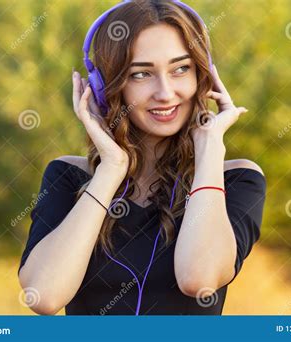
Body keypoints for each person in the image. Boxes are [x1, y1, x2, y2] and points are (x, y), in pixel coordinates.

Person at [18, 0, 266, 315]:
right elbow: (43, 296)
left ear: (203, 75)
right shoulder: (68, 176)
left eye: (181, 68)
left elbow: (200, 279)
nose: (165, 92)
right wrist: (111, 169)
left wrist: (210, 147)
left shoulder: (237, 179)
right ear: (104, 86)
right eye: (140, 74)